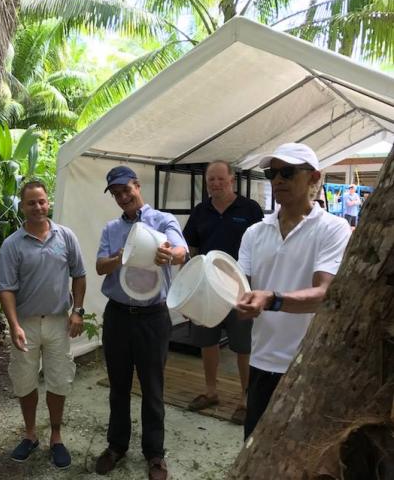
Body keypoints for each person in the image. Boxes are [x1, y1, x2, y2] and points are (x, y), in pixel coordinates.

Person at [236, 143, 351, 440]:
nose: (277, 180)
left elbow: (324, 294)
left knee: (300, 454)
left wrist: (271, 299)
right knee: (255, 446)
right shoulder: (255, 232)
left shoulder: (332, 228)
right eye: (271, 172)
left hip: (309, 364)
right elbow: (238, 288)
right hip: (261, 359)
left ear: (314, 177)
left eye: (287, 172)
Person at [94, 166, 188, 480]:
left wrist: (169, 255)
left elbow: (181, 250)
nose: (122, 197)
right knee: (118, 386)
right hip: (118, 315)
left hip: (152, 317)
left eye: (126, 189)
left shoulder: (162, 220)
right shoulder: (111, 228)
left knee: (153, 387)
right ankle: (116, 445)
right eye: (117, 193)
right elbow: (99, 267)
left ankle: (155, 455)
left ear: (137, 185)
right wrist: (120, 256)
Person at [0, 180, 86, 469]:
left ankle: (56, 436)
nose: (37, 207)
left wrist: (78, 312)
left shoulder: (66, 236)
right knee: (24, 380)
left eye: (41, 201)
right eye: (30, 202)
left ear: (48, 202)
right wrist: (13, 325)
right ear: (21, 207)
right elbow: (6, 288)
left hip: (60, 322)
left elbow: (80, 274)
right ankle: (31, 433)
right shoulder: (12, 244)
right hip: (26, 323)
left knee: (59, 379)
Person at [182, 160, 263, 425]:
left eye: (220, 179)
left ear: (232, 180)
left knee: (243, 346)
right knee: (208, 341)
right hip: (207, 290)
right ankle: (210, 391)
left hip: (240, 289)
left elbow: (261, 250)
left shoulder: (250, 210)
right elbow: (191, 252)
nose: (215, 184)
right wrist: (189, 288)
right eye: (210, 180)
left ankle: (246, 399)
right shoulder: (200, 212)